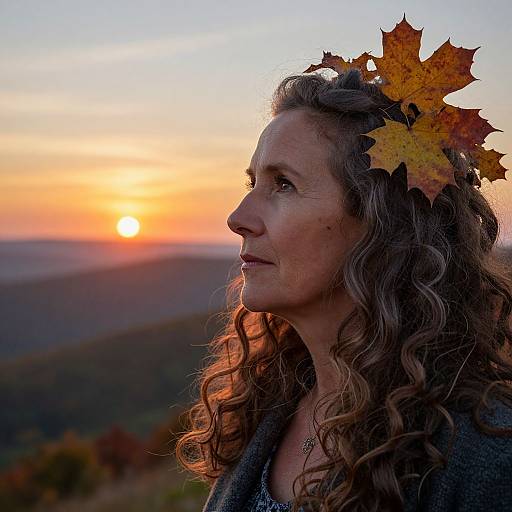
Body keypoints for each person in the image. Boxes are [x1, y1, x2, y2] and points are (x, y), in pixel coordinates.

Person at [175, 65, 512, 512]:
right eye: (252, 182)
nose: (238, 217)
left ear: (380, 224)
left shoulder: (483, 455)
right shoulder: (269, 411)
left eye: (283, 184)